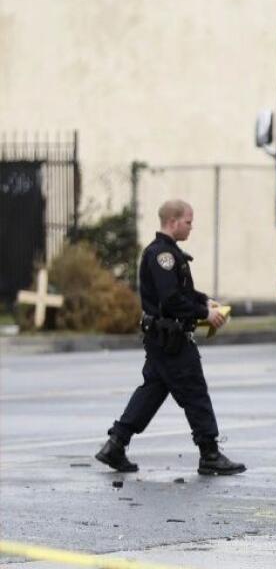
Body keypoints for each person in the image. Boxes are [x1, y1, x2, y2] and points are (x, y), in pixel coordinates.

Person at [95, 200, 246, 475]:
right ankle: (209, 453)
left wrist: (205, 301)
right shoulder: (162, 256)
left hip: (162, 339)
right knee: (195, 391)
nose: (191, 227)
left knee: (152, 392)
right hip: (171, 340)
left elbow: (183, 292)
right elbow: (172, 299)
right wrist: (205, 314)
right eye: (188, 221)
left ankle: (115, 445)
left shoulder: (169, 253)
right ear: (173, 222)